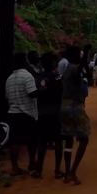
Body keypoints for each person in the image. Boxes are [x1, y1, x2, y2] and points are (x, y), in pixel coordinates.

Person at [60, 45, 91, 185]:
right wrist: (87, 53)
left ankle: (67, 172)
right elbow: (82, 67)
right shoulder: (74, 68)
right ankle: (72, 172)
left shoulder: (66, 68)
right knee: (84, 139)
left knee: (68, 139)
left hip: (64, 105)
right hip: (74, 105)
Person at [5, 52, 39, 176]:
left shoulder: (9, 79)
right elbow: (32, 93)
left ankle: (15, 167)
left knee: (14, 141)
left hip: (13, 113)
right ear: (25, 62)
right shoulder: (27, 76)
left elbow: (7, 97)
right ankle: (32, 163)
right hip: (27, 113)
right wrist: (42, 91)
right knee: (32, 140)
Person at [33, 52, 63, 180]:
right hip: (55, 112)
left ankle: (39, 170)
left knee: (42, 142)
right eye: (55, 61)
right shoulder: (56, 76)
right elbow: (61, 92)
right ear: (51, 63)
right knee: (58, 142)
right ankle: (57, 170)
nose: (56, 63)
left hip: (42, 113)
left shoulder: (39, 77)